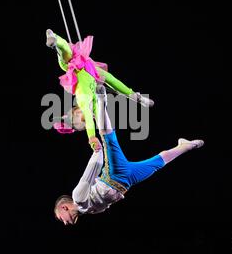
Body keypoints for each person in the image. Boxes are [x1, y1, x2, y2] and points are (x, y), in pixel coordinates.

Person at [54, 85, 204, 225]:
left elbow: (91, 171)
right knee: (156, 164)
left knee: (109, 139)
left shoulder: (78, 197)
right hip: (126, 181)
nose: (66, 223)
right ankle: (185, 145)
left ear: (64, 208)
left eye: (63, 219)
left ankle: (101, 100)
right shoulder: (89, 210)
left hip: (114, 174)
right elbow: (105, 198)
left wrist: (98, 152)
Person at [46, 29, 154, 151]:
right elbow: (98, 121)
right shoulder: (95, 108)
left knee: (66, 52)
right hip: (90, 71)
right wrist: (97, 140)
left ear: (74, 112)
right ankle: (135, 96)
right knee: (110, 78)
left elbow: (87, 116)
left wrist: (91, 138)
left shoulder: (82, 100)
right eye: (83, 125)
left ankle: (54, 38)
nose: (83, 122)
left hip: (76, 67)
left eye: (78, 120)